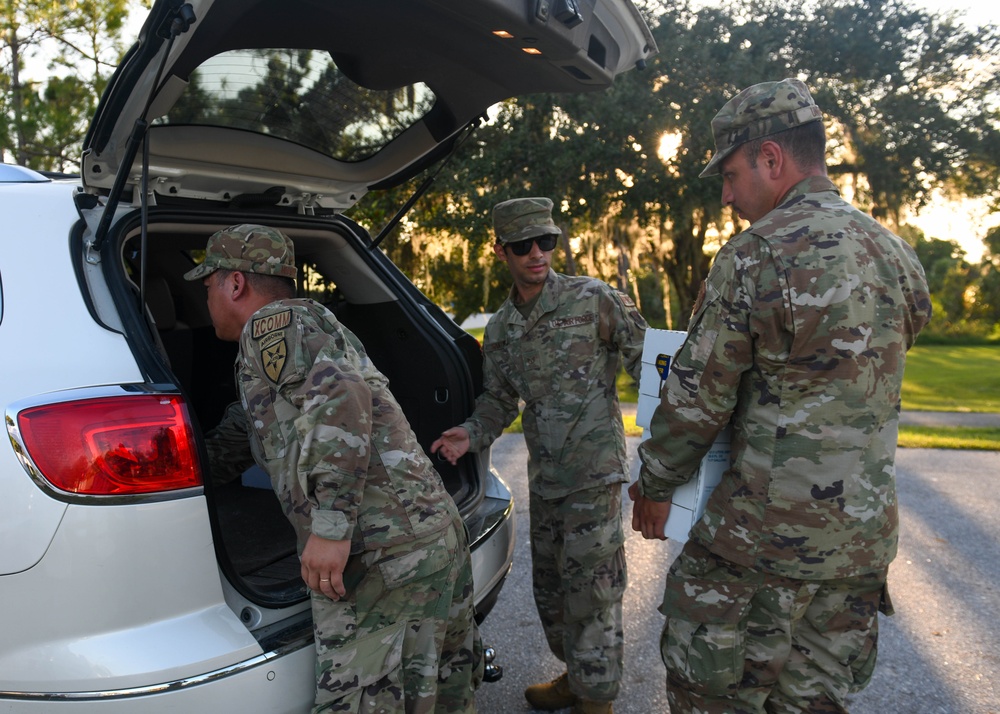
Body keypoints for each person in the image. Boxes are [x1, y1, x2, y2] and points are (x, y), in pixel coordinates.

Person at [630, 78, 932, 713]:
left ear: (771, 158)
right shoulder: (897, 255)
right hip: (858, 545)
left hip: (760, 549)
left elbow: (698, 397)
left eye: (733, 174)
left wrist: (654, 485)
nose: (728, 194)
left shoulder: (754, 255)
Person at [184, 223, 481, 714]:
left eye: (208, 284)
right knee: (439, 695)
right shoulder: (302, 331)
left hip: (381, 555)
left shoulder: (271, 325)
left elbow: (343, 397)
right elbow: (249, 431)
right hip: (426, 538)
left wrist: (330, 527)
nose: (207, 298)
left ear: (235, 283)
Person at [431, 197, 648, 714]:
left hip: (594, 476)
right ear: (501, 250)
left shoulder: (593, 299)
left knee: (593, 593)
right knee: (550, 591)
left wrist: (669, 447)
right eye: (523, 245)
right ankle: (577, 675)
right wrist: (469, 433)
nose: (537, 254)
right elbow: (500, 401)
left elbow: (651, 364)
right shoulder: (503, 329)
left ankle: (597, 701)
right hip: (546, 479)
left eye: (546, 242)